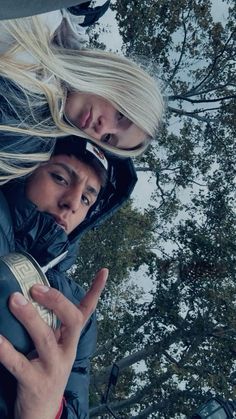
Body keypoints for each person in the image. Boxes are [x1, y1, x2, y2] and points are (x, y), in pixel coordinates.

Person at [0, 136, 137, 418]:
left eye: (87, 198)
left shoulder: (75, 313)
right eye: (60, 178)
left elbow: (74, 404)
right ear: (30, 167)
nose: (72, 203)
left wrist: (48, 407)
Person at [0, 6, 164, 184]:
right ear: (119, 79)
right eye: (121, 115)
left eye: (108, 139)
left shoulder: (25, 146)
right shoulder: (57, 14)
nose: (102, 129)